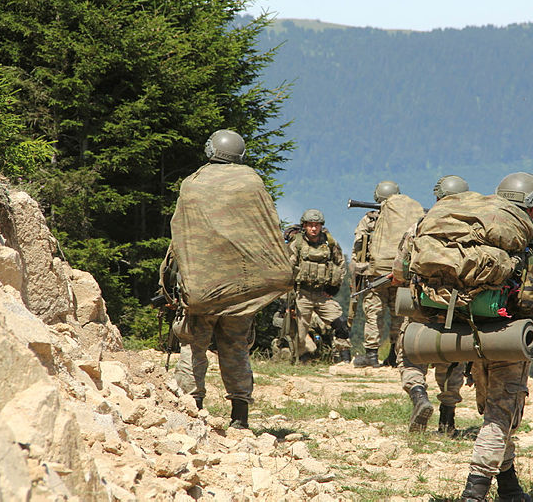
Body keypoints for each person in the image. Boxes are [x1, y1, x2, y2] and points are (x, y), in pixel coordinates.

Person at [165, 129, 292, 429]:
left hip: (202, 286)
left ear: (210, 150)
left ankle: (191, 411)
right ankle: (240, 418)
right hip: (242, 288)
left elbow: (181, 235)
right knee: (235, 346)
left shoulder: (193, 184)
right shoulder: (252, 182)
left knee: (192, 345)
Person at [460, 172, 533, 502]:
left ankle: (509, 488)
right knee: (501, 414)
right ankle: (474, 491)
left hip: (471, 334)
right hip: (510, 337)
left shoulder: (474, 232)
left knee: (491, 407)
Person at [392, 175, 470, 434]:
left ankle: (419, 397)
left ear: (437, 198)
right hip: (458, 309)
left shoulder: (420, 227)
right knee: (453, 361)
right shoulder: (475, 232)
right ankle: (447, 419)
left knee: (412, 358)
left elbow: (401, 269)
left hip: (422, 309)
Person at [288, 208, 351, 363]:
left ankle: (344, 359)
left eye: (317, 225)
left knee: (341, 323)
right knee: (298, 334)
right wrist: (286, 300)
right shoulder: (297, 244)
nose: (314, 228)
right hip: (301, 294)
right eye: (310, 225)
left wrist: (334, 287)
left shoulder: (330, 243)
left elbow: (340, 264)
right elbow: (287, 271)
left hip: (322, 294)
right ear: (304, 226)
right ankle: (303, 359)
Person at [351, 180, 402, 367]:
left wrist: (357, 271)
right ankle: (396, 355)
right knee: (399, 315)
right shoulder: (405, 219)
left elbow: (359, 247)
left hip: (375, 275)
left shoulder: (369, 220)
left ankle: (372, 356)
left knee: (374, 314)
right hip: (398, 275)